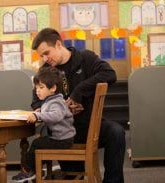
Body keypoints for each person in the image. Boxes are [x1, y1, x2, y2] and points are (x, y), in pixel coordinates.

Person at [30, 27, 125, 183]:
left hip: (88, 125)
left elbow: (110, 74)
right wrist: (60, 109)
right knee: (73, 175)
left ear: (59, 44)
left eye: (47, 53)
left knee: (116, 132)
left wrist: (79, 92)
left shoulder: (85, 58)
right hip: (62, 131)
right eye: (41, 56)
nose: (45, 59)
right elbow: (35, 102)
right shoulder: (45, 71)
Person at [12, 66, 76, 183]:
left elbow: (55, 116)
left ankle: (28, 171)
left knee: (37, 143)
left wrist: (38, 116)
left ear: (53, 88)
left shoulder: (56, 102)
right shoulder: (50, 100)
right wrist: (40, 111)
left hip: (62, 140)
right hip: (60, 138)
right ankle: (36, 170)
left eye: (41, 87)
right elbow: (49, 111)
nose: (37, 91)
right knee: (39, 142)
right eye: (36, 87)